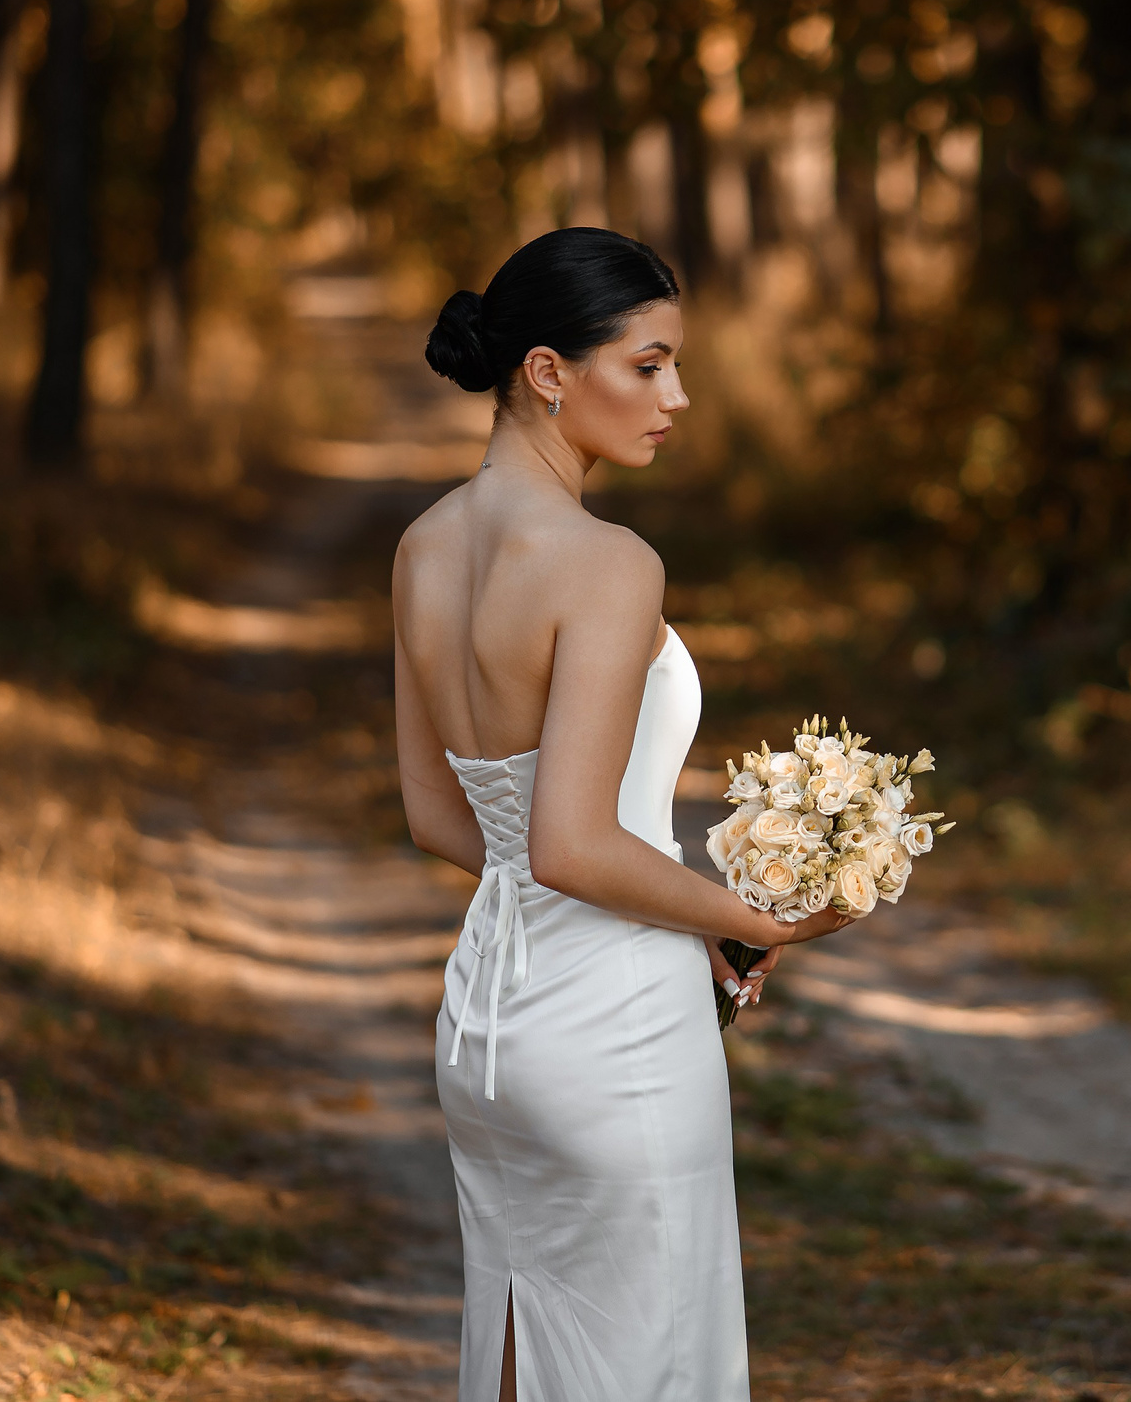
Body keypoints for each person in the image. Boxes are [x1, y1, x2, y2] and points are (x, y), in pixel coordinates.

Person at [390, 227, 845, 1402]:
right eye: (648, 365)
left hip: (487, 1029)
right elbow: (574, 843)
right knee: (652, 1362)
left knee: (522, 1346)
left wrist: (677, 914)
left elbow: (443, 818)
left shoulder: (425, 549)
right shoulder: (607, 563)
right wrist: (752, 920)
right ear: (547, 371)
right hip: (614, 1032)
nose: (676, 397)